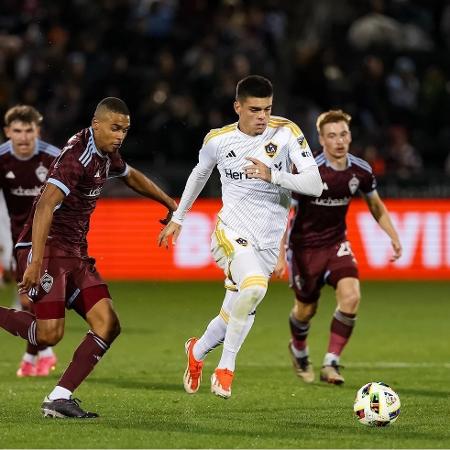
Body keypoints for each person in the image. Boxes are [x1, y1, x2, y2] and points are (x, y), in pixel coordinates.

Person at [0, 97, 177, 418]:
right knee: (48, 334)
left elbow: (131, 175)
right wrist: (36, 262)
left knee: (108, 325)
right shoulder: (76, 158)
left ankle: (59, 397)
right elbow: (43, 206)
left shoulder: (105, 152)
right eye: (115, 128)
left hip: (76, 254)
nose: (120, 135)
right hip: (49, 250)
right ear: (97, 125)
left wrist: (170, 203)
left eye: (125, 129)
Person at [158, 75, 323, 399]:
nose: (262, 116)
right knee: (255, 289)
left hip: (266, 240)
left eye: (267, 109)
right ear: (238, 107)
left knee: (238, 308)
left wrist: (272, 174)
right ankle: (226, 367)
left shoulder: (286, 133)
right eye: (254, 109)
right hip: (231, 231)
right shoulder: (218, 140)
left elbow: (315, 185)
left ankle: (196, 350)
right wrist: (178, 218)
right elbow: (199, 174)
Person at [286, 109, 402, 385]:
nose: (339, 141)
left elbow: (375, 205)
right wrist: (279, 255)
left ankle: (331, 363)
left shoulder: (359, 170)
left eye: (343, 134)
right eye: (332, 136)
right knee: (306, 310)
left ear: (350, 137)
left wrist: (393, 235)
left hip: (337, 242)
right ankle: (298, 349)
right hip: (304, 248)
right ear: (321, 140)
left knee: (351, 296)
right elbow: (284, 214)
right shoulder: (308, 170)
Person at [0, 105, 60, 377]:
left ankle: (37, 356)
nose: (23, 137)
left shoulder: (53, 159)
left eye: (28, 131)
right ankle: (37, 356)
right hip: (17, 239)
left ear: (38, 131)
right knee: (30, 301)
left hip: (52, 237)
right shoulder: (1, 160)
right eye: (17, 131)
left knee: (30, 299)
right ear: (7, 132)